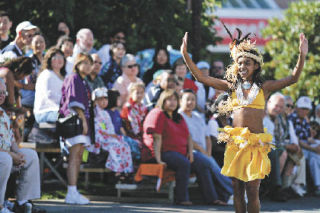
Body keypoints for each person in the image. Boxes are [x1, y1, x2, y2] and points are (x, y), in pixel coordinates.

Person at [180, 29, 308, 212]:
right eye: (239, 63)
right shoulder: (231, 87)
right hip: (236, 143)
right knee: (238, 190)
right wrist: (185, 54)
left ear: (256, 65)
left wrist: (301, 55)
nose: (242, 66)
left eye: (246, 63)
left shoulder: (265, 88)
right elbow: (201, 77)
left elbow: (294, 78)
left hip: (255, 144)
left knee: (252, 190)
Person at [142, 89, 227, 205]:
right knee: (184, 163)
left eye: (174, 100)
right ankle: (181, 198)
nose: (172, 102)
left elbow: (188, 137)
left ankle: (212, 199)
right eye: (169, 100)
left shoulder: (178, 117)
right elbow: (156, 138)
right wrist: (158, 159)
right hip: (163, 152)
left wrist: (191, 153)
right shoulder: (158, 113)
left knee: (203, 163)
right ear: (163, 100)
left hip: (179, 152)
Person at [178, 89, 233, 203]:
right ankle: (233, 191)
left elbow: (207, 137)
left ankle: (223, 196)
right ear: (180, 101)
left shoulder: (198, 116)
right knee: (212, 166)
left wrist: (208, 152)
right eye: (187, 99)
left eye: (193, 99)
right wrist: (203, 152)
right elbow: (187, 139)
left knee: (213, 168)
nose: (190, 102)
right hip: (190, 151)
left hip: (204, 152)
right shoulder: (179, 116)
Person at [0, 79, 45, 213]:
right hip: (3, 156)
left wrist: (18, 153)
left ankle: (23, 202)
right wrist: (11, 155)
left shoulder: (3, 114)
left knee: (30, 155)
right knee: (5, 159)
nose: (2, 95)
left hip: (5, 153)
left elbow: (10, 139)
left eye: (4, 92)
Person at [59, 53, 93, 205]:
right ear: (77, 64)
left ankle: (74, 190)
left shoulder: (84, 81)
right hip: (75, 121)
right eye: (84, 63)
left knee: (79, 156)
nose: (87, 66)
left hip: (81, 121)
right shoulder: (73, 78)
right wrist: (84, 121)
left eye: (89, 63)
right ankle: (71, 191)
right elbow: (73, 102)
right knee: (74, 156)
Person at [86, 87, 133, 181]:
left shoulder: (105, 113)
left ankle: (126, 170)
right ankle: (116, 171)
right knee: (115, 146)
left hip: (107, 137)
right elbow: (96, 129)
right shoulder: (92, 113)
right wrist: (108, 135)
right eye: (100, 99)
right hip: (97, 139)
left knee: (125, 145)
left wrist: (112, 135)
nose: (103, 101)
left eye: (105, 99)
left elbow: (110, 129)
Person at [263, 93, 301, 201]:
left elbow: (278, 140)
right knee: (280, 152)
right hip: (259, 147)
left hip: (272, 146)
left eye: (281, 107)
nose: (278, 109)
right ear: (269, 103)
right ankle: (275, 187)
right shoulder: (262, 115)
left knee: (290, 153)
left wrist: (289, 146)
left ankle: (284, 187)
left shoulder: (278, 119)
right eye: (276, 106)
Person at [33, 47, 66, 124]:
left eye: (61, 57)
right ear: (49, 59)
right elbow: (50, 95)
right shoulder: (46, 74)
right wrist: (67, 103)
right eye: (55, 57)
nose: (59, 60)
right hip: (45, 112)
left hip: (57, 110)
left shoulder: (63, 76)